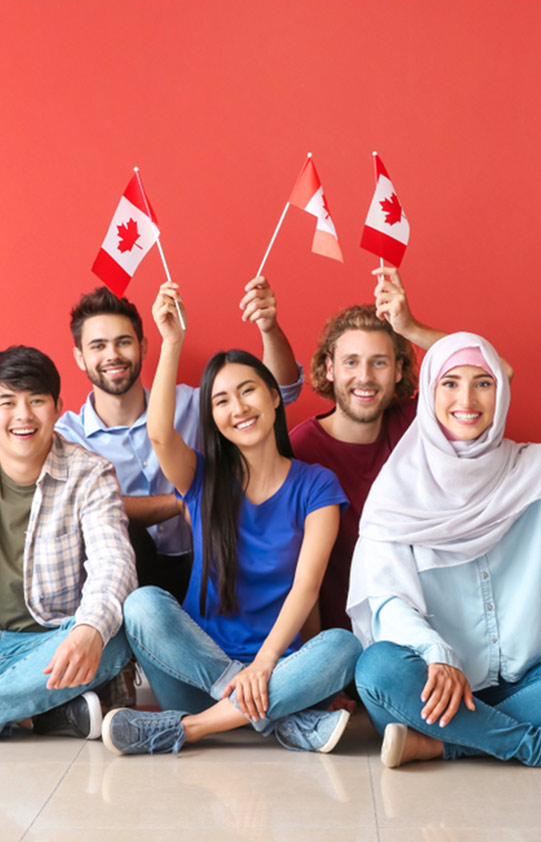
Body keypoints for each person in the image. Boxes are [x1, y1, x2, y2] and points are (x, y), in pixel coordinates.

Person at [347, 314, 541, 771]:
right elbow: (388, 603)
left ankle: (443, 744)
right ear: (429, 393)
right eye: (450, 384)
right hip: (435, 682)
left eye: (483, 383)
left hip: (531, 683)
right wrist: (437, 654)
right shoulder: (396, 493)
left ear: (500, 393)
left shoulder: (532, 470)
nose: (467, 399)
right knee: (377, 669)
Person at [102, 283, 362, 755]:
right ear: (212, 416)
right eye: (221, 400)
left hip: (278, 667)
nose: (238, 407)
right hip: (197, 671)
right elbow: (160, 435)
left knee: (343, 646)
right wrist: (172, 341)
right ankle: (278, 719)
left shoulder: (317, 485)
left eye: (248, 391)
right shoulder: (203, 477)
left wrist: (265, 667)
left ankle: (190, 729)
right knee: (142, 605)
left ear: (275, 397)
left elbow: (307, 589)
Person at [57, 276, 302, 603]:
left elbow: (282, 392)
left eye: (123, 342)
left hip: (210, 560)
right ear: (79, 357)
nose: (112, 355)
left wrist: (269, 328)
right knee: (125, 529)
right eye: (98, 346)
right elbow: (84, 507)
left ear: (143, 347)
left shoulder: (192, 404)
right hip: (124, 577)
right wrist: (186, 500)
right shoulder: (67, 436)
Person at [290, 267, 447, 631]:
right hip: (337, 642)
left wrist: (409, 328)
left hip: (418, 630)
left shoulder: (413, 424)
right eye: (351, 362)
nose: (364, 377)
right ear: (329, 369)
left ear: (398, 370)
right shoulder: (300, 449)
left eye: (379, 362)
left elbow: (496, 372)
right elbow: (293, 573)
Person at [0, 346, 136, 740]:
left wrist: (89, 631)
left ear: (58, 406)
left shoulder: (89, 474)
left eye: (36, 401)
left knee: (113, 639)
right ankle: (40, 713)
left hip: (53, 644)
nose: (22, 416)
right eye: (7, 402)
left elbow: (114, 564)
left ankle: (26, 708)